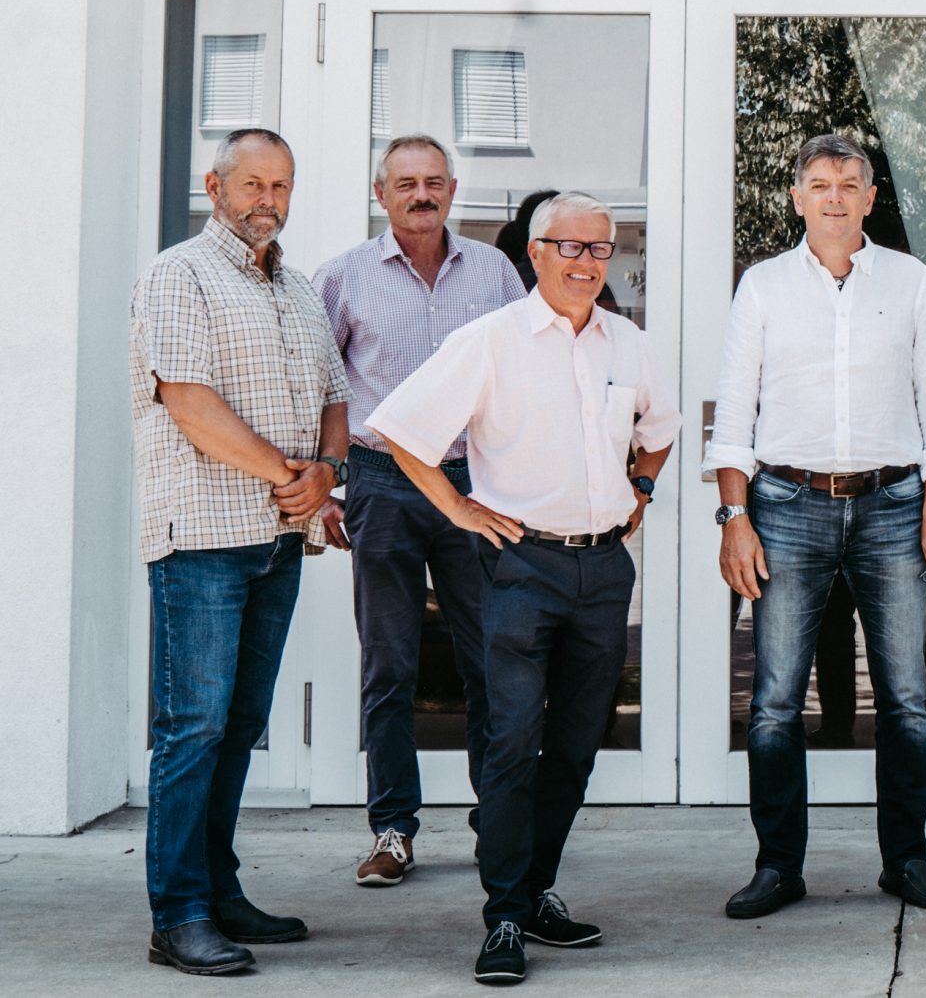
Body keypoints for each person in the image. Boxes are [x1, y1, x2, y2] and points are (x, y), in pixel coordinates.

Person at [368, 192, 676, 986]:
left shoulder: (628, 343)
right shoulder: (491, 340)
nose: (586, 261)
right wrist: (460, 509)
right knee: (510, 742)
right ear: (535, 253)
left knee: (575, 743)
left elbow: (660, 430)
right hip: (518, 569)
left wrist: (641, 490)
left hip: (603, 571)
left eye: (599, 248)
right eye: (569, 246)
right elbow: (401, 430)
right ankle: (503, 915)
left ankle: (535, 891)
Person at [708, 135, 926, 921]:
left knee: (907, 700)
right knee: (776, 702)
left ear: (869, 197)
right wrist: (735, 518)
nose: (834, 196)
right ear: (797, 198)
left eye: (849, 184)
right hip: (787, 507)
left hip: (893, 506)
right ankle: (778, 867)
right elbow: (735, 412)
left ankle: (907, 860)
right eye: (819, 184)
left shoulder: (909, 279)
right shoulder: (762, 286)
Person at [129, 127, 349, 976]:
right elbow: (188, 401)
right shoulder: (178, 275)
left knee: (239, 726)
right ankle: (177, 915)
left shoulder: (297, 287)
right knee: (193, 728)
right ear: (214, 186)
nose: (268, 199)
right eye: (252, 183)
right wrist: (293, 476)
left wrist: (326, 470)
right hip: (204, 538)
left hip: (278, 539)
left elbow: (335, 394)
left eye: (281, 185)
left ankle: (218, 892)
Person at [312, 134, 525, 886]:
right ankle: (393, 829)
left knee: (490, 660)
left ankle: (497, 824)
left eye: (434, 181)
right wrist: (328, 485)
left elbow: (523, 376)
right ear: (382, 194)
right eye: (406, 183)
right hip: (383, 484)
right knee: (391, 664)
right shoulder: (344, 276)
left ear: (453, 190)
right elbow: (320, 386)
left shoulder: (494, 272)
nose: (421, 194)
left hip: (474, 486)